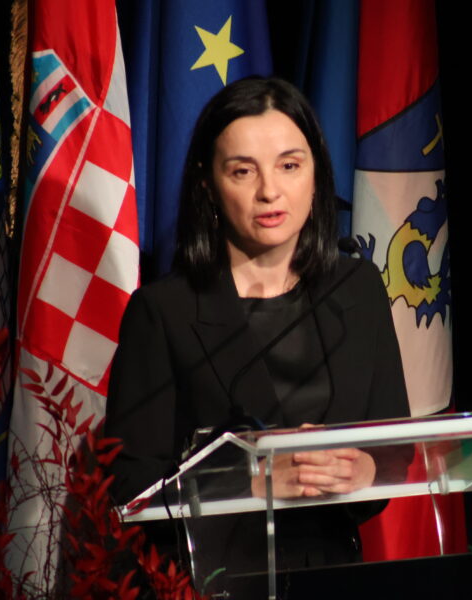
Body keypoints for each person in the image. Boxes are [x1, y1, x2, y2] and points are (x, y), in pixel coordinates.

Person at [105, 77, 410, 578]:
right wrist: (250, 482)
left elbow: (395, 445)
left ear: (316, 173)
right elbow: (128, 487)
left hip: (334, 575)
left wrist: (366, 469)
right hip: (214, 581)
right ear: (208, 184)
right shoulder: (164, 311)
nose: (270, 191)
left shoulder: (357, 288)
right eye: (243, 171)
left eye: (290, 165)